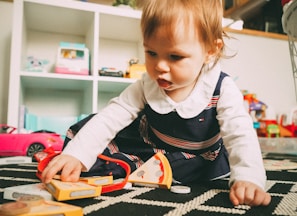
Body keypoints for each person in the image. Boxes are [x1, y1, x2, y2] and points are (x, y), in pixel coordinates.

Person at [42, 0, 271, 206]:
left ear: (210, 51)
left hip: (197, 157)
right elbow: (111, 116)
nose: (160, 66)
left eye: (175, 56)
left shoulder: (221, 88)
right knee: (93, 138)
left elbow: (240, 133)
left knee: (176, 169)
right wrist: (77, 155)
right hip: (151, 145)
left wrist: (249, 178)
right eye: (151, 53)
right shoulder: (146, 84)